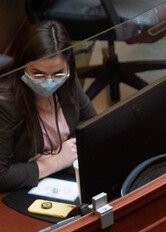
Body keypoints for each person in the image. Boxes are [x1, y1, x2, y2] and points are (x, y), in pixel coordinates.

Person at [0, 20, 96, 192]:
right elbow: (2, 176)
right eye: (38, 73)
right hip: (23, 188)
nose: (49, 82)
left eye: (57, 73)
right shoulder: (5, 103)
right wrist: (56, 161)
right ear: (21, 67)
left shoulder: (67, 80)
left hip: (64, 177)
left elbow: (94, 129)